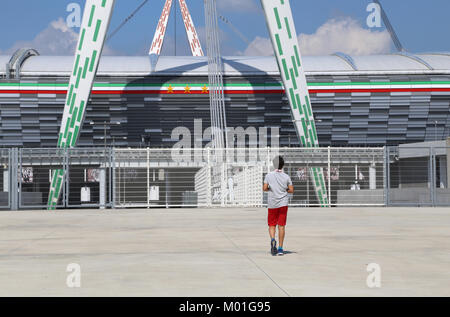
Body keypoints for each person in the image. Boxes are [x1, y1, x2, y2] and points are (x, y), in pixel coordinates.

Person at [263, 156, 294, 256]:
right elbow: (291, 190)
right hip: (283, 204)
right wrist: (284, 190)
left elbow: (264, 188)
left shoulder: (268, 176)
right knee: (281, 226)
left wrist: (271, 189)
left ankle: (273, 239)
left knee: (272, 225)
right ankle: (280, 248)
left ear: (273, 164)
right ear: (282, 165)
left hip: (272, 203)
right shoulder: (286, 176)